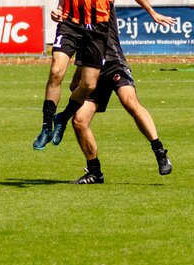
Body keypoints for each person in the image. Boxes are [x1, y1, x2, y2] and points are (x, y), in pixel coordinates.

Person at [33, 0, 176, 155]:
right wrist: (59, 9)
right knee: (57, 70)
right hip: (70, 24)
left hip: (97, 29)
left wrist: (152, 12)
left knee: (88, 84)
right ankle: (46, 126)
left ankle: (62, 118)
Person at [52, 9, 173, 184]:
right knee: (79, 121)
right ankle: (94, 172)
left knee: (129, 101)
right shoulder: (75, 22)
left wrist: (151, 12)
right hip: (92, 71)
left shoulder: (102, 2)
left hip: (114, 64)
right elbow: (79, 67)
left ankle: (160, 152)